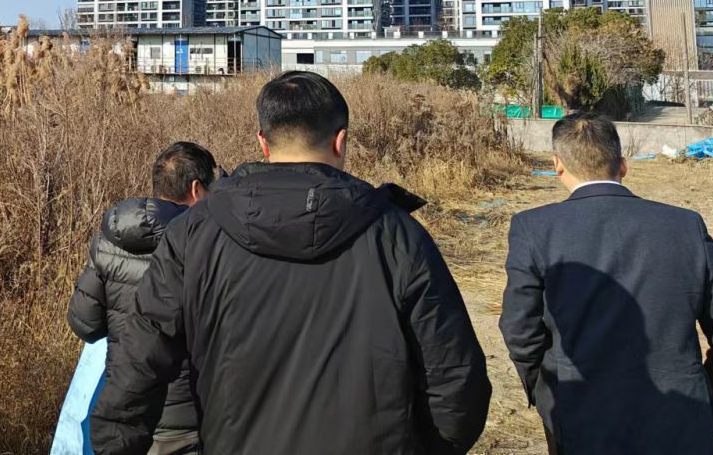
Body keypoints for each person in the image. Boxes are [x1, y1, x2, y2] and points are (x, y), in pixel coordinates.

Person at [89, 71, 490, 455]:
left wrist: (117, 445)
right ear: (341, 141)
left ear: (262, 142)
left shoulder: (193, 234)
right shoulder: (398, 236)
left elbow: (138, 364)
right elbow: (457, 385)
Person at [500, 113, 713, 455]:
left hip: (581, 422)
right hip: (682, 421)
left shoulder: (534, 228)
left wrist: (549, 394)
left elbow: (520, 330)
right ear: (623, 164)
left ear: (558, 165)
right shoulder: (685, 226)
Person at [68, 141, 216, 455]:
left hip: (128, 412)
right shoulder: (206, 245)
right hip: (190, 416)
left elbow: (85, 325)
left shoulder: (107, 244)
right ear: (196, 189)